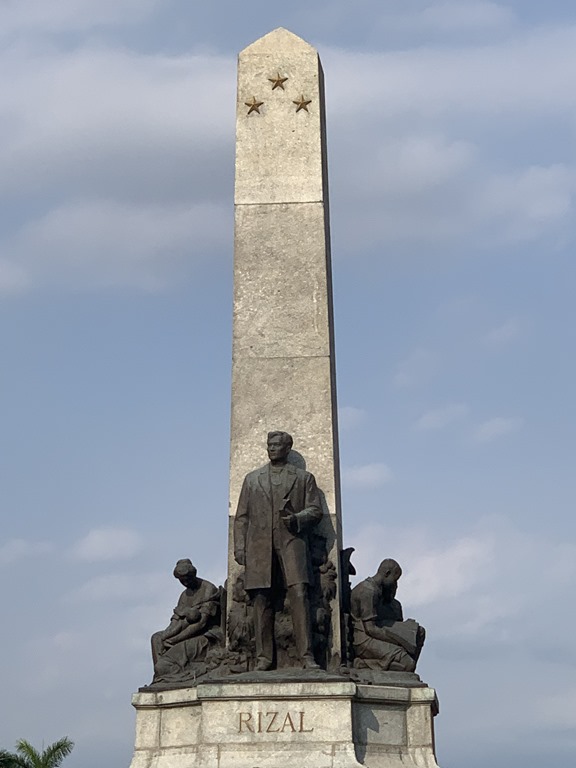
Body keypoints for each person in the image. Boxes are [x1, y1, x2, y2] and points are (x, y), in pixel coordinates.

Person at [233, 431, 323, 671]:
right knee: (261, 599)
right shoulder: (252, 479)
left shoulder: (303, 478)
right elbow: (241, 517)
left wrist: (297, 519)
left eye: (276, 445)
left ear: (287, 448)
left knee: (300, 595)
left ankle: (306, 656)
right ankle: (264, 658)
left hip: (292, 542)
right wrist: (240, 547)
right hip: (259, 547)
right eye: (269, 445)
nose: (271, 448)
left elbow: (315, 510)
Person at [151, 559, 222, 683]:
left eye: (187, 578)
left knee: (167, 655)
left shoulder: (208, 589)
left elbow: (201, 624)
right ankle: (161, 676)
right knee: (156, 638)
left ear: (193, 574)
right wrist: (166, 635)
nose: (185, 582)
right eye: (182, 580)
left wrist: (174, 639)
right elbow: (176, 620)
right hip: (184, 631)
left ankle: (168, 673)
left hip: (205, 636)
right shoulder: (184, 595)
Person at [350, 558, 425, 673]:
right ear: (387, 573)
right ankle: (362, 664)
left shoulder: (379, 590)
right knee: (408, 664)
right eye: (395, 580)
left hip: (376, 632)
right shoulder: (368, 591)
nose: (395, 583)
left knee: (419, 633)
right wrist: (401, 641)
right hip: (363, 639)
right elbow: (370, 629)